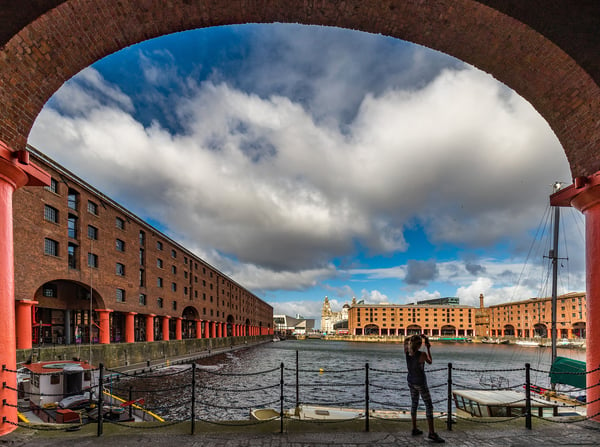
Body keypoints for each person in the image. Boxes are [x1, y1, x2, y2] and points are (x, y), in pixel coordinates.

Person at [404, 334, 445, 443]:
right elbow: (430, 361)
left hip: (410, 381)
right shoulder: (422, 354)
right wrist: (428, 347)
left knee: (414, 403)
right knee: (429, 406)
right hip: (420, 382)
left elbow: (405, 340)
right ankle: (431, 433)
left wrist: (415, 337)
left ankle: (414, 428)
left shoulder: (407, 352)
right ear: (419, 345)